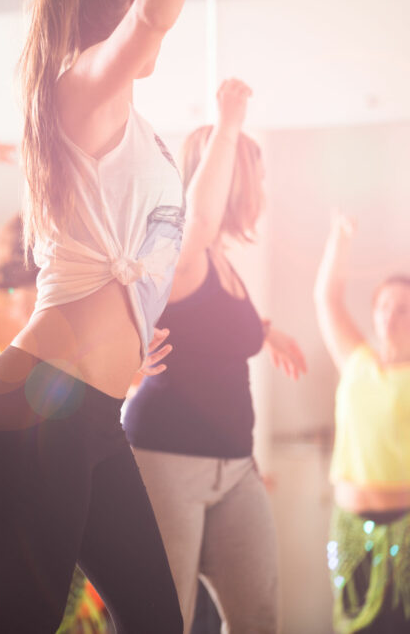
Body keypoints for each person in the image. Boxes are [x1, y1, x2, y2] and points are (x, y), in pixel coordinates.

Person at [0, 0, 205, 630]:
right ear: (115, 5)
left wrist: (136, 327)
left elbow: (118, 251)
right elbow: (155, 16)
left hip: (88, 413)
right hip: (42, 406)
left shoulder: (128, 124)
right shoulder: (82, 87)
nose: (153, 27)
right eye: (132, 2)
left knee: (158, 621)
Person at [123, 79, 308, 634]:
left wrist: (266, 332)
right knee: (164, 621)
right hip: (164, 462)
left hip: (234, 467)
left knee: (258, 617)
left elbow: (213, 334)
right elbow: (197, 223)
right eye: (254, 176)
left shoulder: (220, 261)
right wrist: (228, 127)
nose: (261, 190)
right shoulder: (179, 250)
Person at [315, 214, 410, 633]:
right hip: (349, 528)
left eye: (403, 309)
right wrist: (340, 238)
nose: (390, 317)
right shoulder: (356, 362)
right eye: (383, 306)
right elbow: (327, 299)